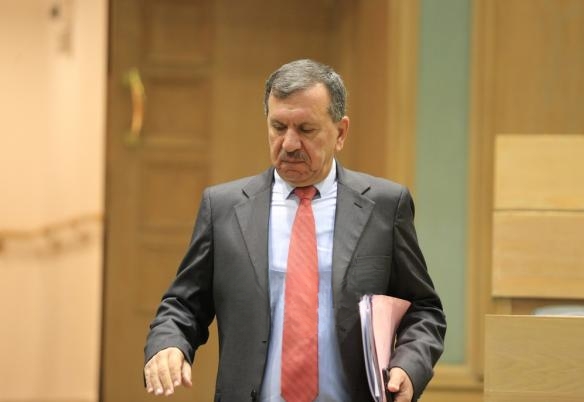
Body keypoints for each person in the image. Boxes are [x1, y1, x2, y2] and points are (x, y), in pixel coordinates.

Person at [143, 59, 446, 402]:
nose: (288, 143)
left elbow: (424, 310)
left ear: (340, 132)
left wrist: (409, 366)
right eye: (278, 127)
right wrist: (168, 344)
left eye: (305, 129)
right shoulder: (224, 208)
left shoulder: (385, 206)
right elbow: (184, 304)